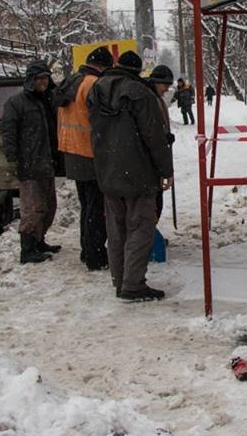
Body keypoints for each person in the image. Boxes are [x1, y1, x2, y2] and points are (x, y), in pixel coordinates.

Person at [89, 51, 174, 302]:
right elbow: (155, 138)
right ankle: (133, 284)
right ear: (138, 71)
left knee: (116, 229)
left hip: (107, 170)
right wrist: (165, 171)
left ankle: (120, 280)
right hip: (138, 172)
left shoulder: (96, 89)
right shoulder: (140, 93)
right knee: (141, 227)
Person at [55, 46, 113, 271]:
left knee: (87, 207)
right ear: (102, 66)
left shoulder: (70, 81)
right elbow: (101, 121)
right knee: (96, 209)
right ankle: (95, 256)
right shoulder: (92, 85)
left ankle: (87, 249)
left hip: (71, 152)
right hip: (90, 153)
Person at [1, 60, 60, 264]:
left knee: (49, 206)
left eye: (46, 78)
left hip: (47, 162)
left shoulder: (47, 100)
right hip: (29, 163)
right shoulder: (16, 103)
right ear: (31, 80)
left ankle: (38, 240)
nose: (44, 82)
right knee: (32, 209)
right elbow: (8, 134)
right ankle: (27, 249)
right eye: (40, 78)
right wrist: (14, 159)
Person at [147, 65, 176, 222]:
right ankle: (147, 238)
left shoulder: (156, 98)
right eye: (165, 85)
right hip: (149, 164)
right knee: (152, 205)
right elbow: (153, 135)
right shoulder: (148, 100)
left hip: (154, 161)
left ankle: (149, 236)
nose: (166, 89)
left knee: (156, 203)